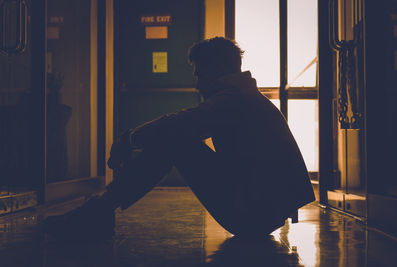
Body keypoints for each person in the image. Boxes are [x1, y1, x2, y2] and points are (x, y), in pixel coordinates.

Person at [43, 37, 315, 240]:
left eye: (200, 74)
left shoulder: (234, 100)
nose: (197, 84)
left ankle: (98, 213)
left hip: (254, 215)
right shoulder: (244, 97)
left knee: (175, 140)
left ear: (219, 69)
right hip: (263, 209)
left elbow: (181, 124)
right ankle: (100, 211)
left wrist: (128, 140)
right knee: (175, 137)